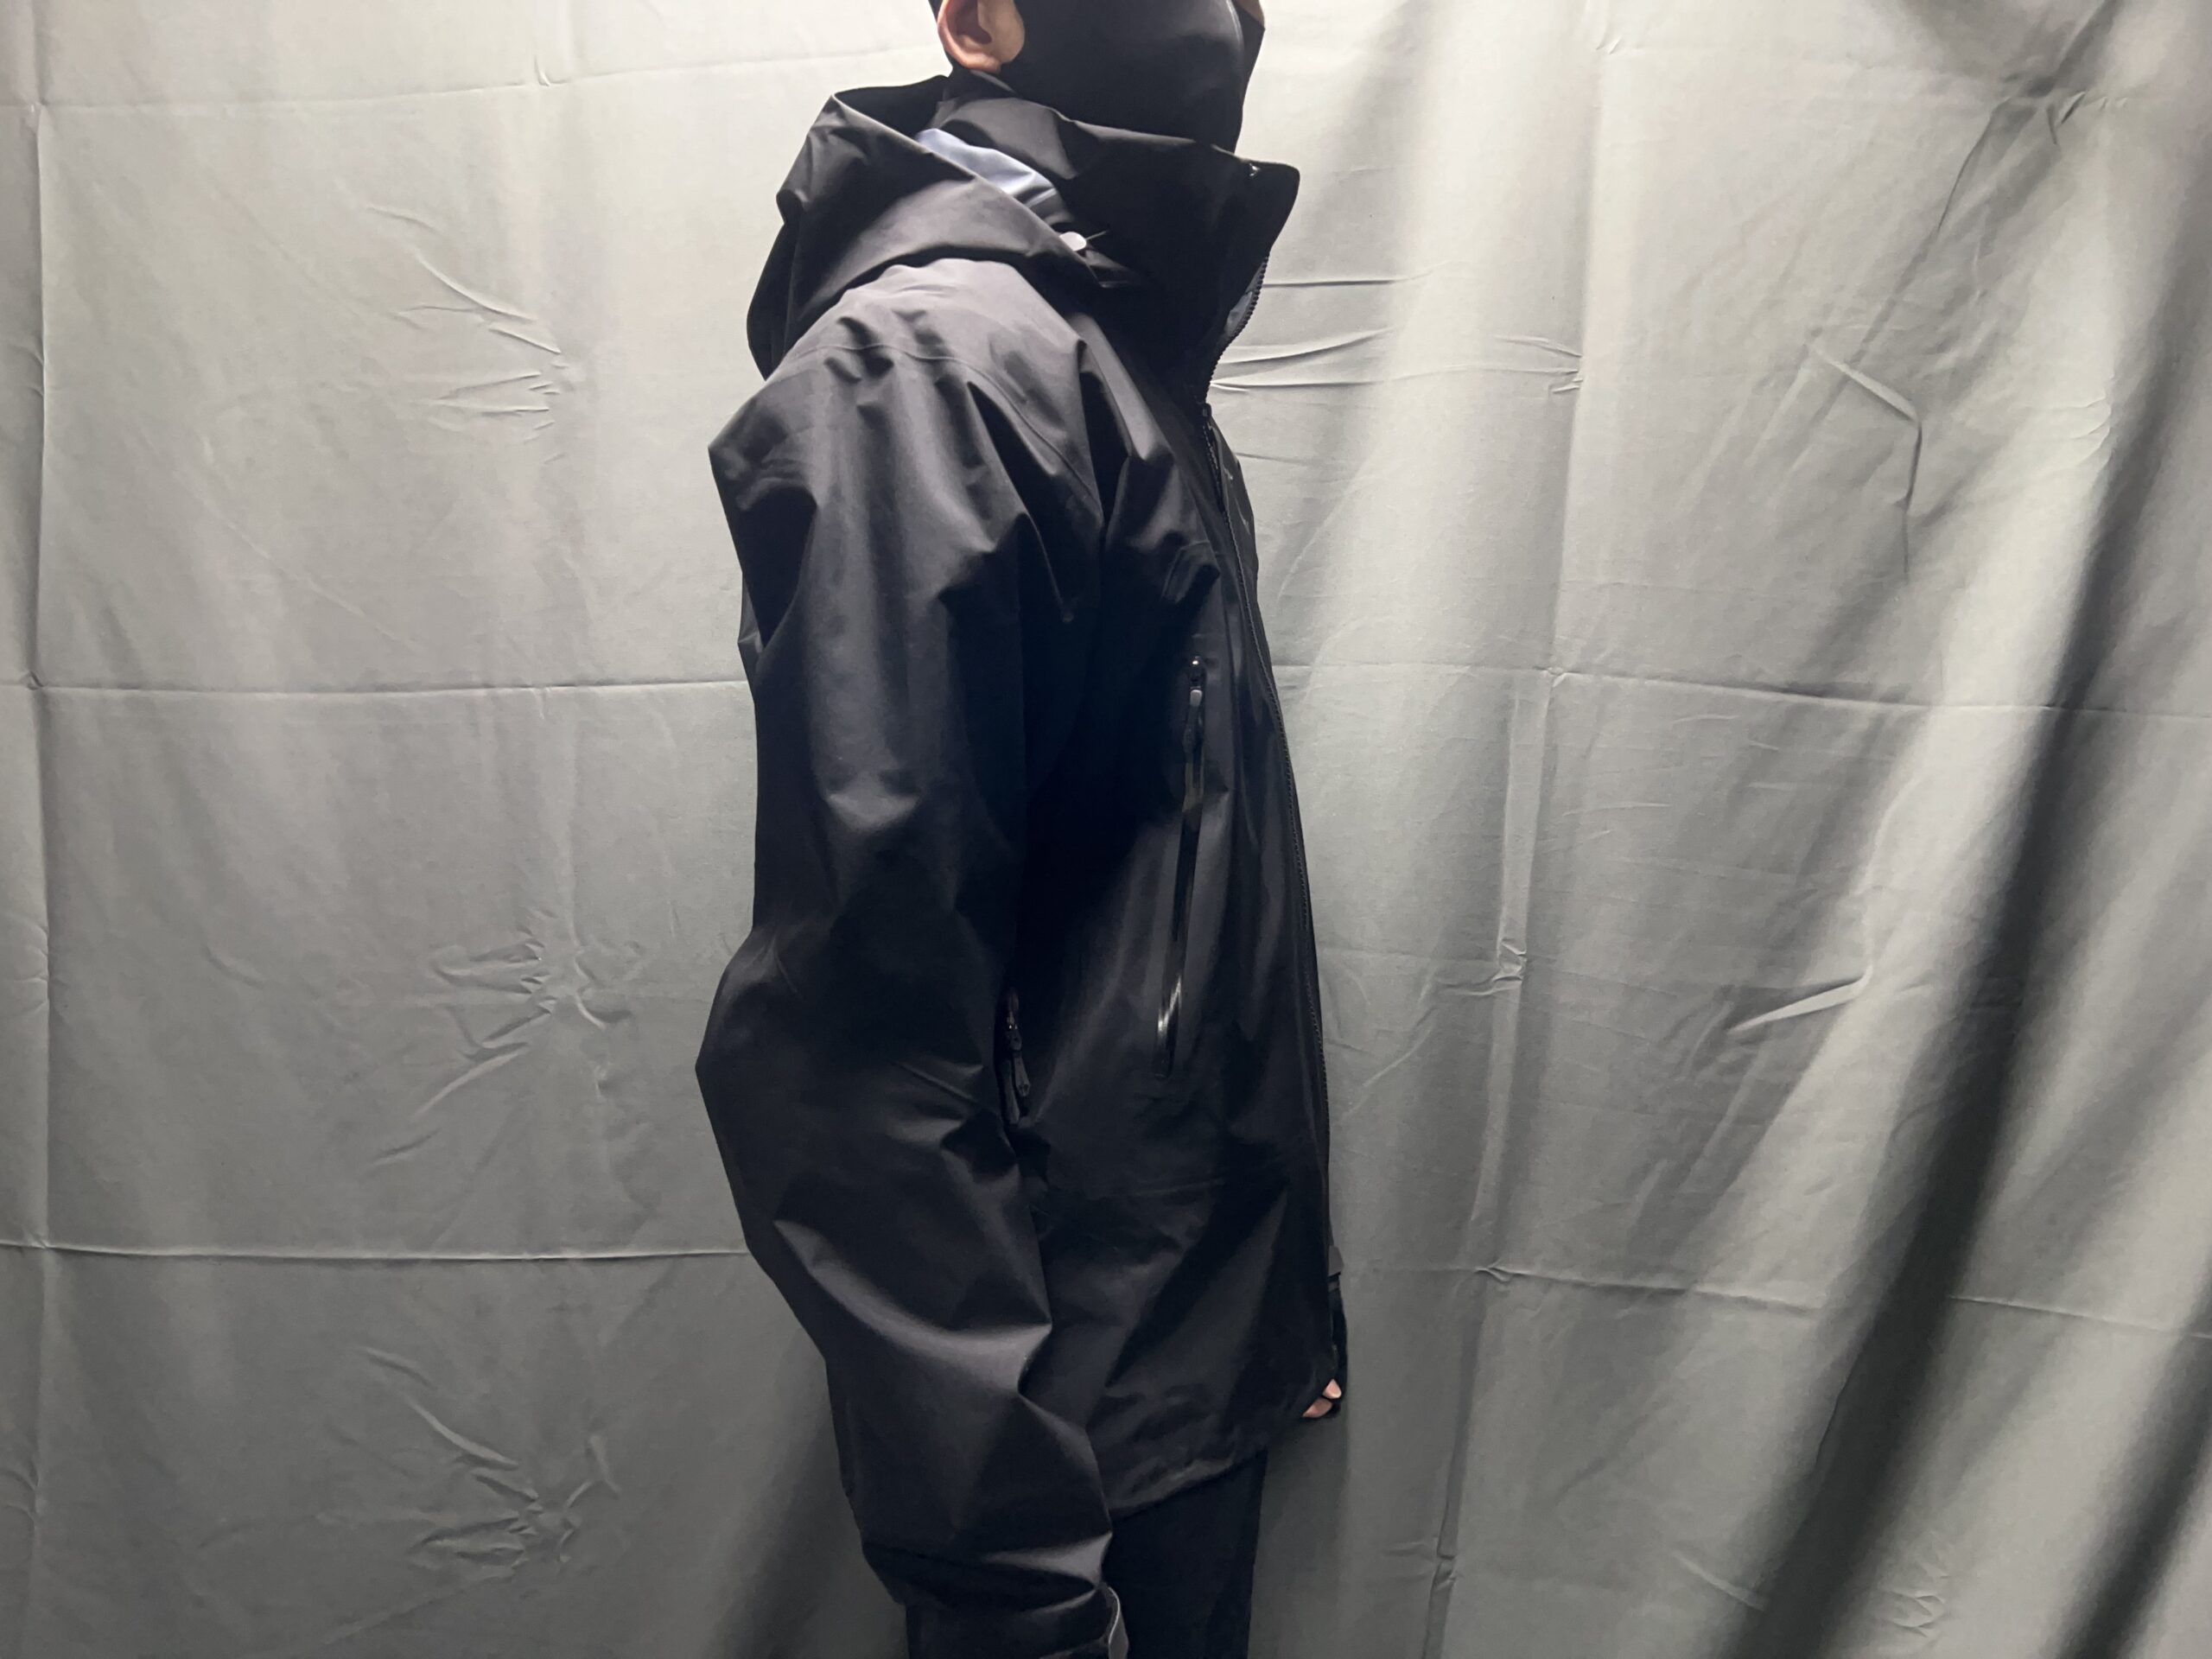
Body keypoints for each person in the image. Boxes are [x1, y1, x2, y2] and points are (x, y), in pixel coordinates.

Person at [696, 3, 1343, 1654]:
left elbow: (1152, 904)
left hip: (1166, 1361)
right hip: (1071, 1439)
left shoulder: (1099, 347)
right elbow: (855, 1047)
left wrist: (1255, 1314)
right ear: (978, 20)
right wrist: (1017, 1593)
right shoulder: (938, 368)